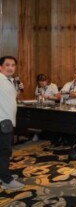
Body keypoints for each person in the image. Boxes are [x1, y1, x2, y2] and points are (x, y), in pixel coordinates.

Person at [0, 56, 25, 190]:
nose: (10, 68)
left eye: (13, 65)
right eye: (7, 65)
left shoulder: (10, 80)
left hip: (8, 120)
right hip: (2, 120)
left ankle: (3, 173)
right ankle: (6, 180)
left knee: (4, 150)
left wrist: (18, 89)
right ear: (1, 67)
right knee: (4, 151)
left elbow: (14, 98)